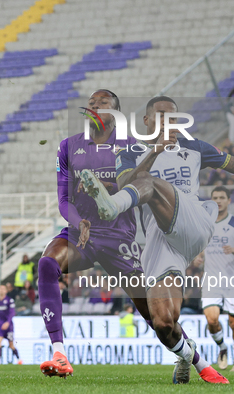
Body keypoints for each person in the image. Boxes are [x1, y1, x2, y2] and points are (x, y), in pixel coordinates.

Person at [81, 96, 234, 383]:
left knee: (149, 183)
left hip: (194, 221)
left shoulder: (194, 147)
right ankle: (186, 353)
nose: (168, 123)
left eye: (173, 118)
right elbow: (126, 183)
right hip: (161, 240)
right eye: (161, 116)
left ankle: (110, 206)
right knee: (163, 322)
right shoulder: (130, 152)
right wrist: (154, 153)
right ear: (147, 122)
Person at [38, 90, 150, 379]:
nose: (94, 106)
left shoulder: (132, 146)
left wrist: (107, 190)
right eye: (91, 103)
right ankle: (59, 352)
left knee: (156, 317)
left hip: (119, 236)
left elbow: (142, 191)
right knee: (48, 264)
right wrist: (79, 222)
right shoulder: (68, 146)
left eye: (102, 104)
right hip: (82, 232)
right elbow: (63, 200)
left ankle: (192, 357)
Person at [202, 186, 234, 372]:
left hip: (231, 280)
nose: (219, 200)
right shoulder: (204, 223)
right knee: (212, 320)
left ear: (229, 200)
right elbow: (199, 244)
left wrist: (233, 250)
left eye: (222, 197)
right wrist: (198, 256)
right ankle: (222, 347)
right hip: (211, 279)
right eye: (215, 197)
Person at [0, 285, 21, 364]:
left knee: (11, 345)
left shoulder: (10, 300)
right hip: (0, 325)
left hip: (9, 326)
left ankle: (19, 359)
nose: (2, 290)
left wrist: (8, 322)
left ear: (6, 291)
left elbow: (12, 312)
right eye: (0, 288)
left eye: (3, 289)